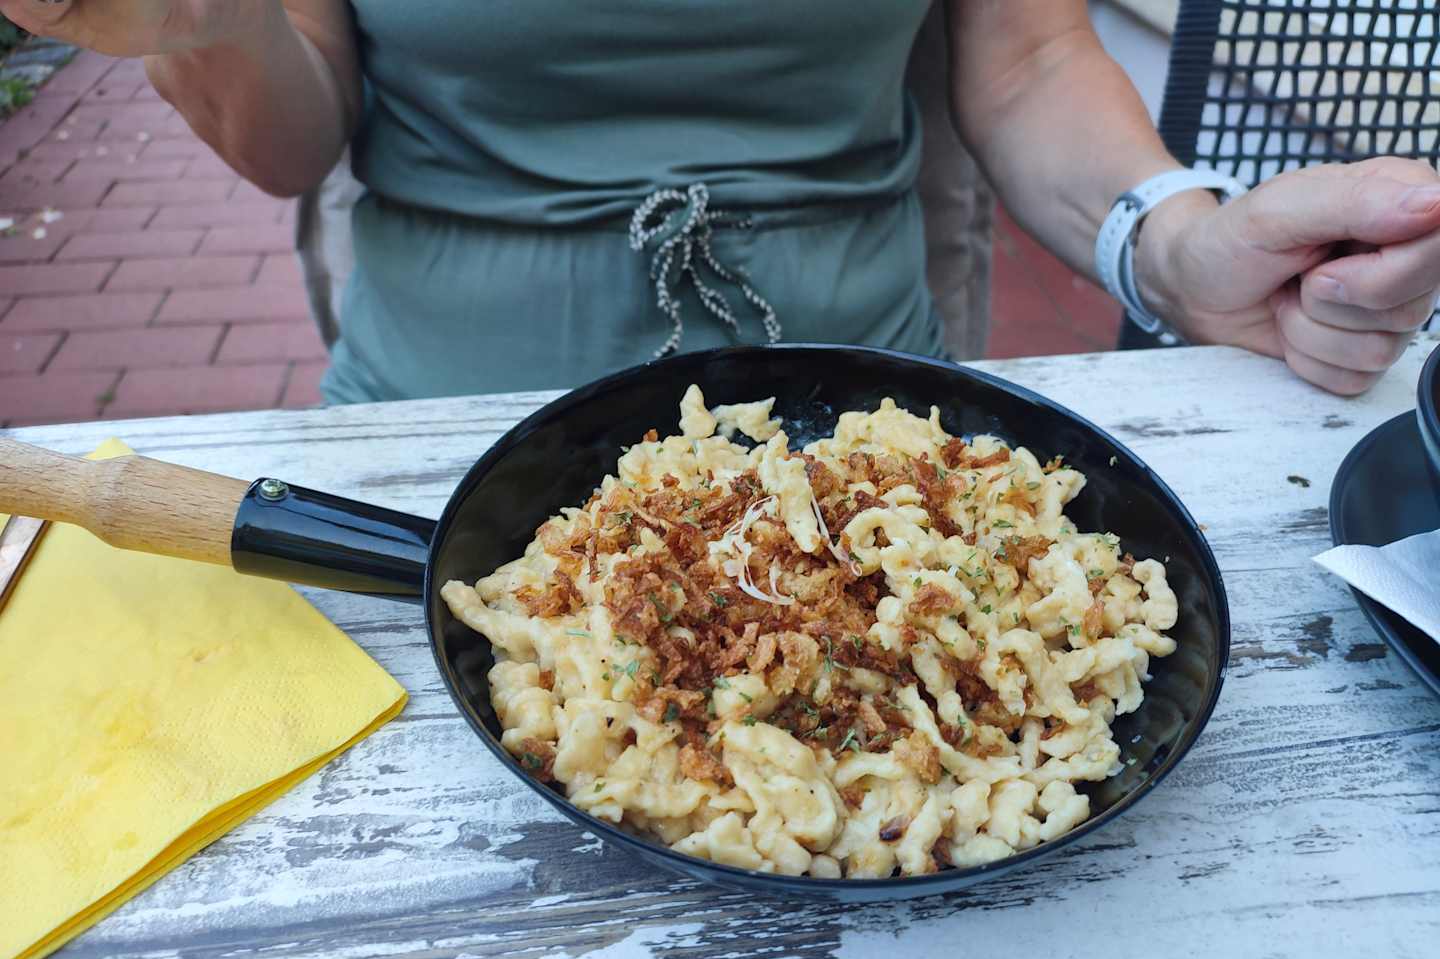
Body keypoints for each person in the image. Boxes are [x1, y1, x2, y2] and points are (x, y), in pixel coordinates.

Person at [7, 0, 1438, 400]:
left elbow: (1030, 62)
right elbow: (293, 137)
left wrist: (1175, 248)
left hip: (866, 434)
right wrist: (202, 21)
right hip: (432, 448)